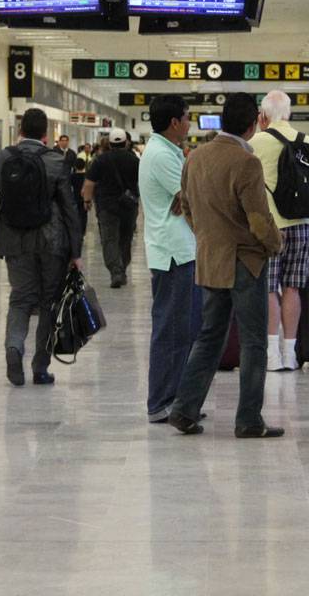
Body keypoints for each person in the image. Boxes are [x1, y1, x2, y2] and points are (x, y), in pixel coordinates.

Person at [167, 93, 284, 438]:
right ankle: (249, 419)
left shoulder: (196, 157)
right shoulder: (246, 162)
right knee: (253, 342)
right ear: (253, 125)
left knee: (209, 338)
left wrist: (206, 236)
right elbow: (259, 219)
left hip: (209, 259)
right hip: (245, 261)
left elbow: (185, 204)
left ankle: (184, 409)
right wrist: (274, 245)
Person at [0, 108, 82, 387]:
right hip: (51, 242)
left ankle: (13, 348)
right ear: (46, 134)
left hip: (14, 239)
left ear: (20, 131)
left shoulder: (2, 158)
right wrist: (75, 250)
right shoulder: (56, 161)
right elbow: (70, 209)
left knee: (20, 298)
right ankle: (40, 368)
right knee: (48, 302)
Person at [138, 95, 203, 423]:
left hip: (182, 250)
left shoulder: (169, 151)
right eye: (187, 117)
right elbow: (192, 196)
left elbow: (188, 196)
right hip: (172, 255)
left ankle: (179, 399)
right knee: (171, 330)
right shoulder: (161, 155)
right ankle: (161, 401)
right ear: (175, 122)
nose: (190, 122)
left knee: (187, 329)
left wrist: (187, 198)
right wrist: (187, 198)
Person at [250, 90, 309, 372]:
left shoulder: (255, 142)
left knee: (269, 288)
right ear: (289, 113)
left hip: (270, 227)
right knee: (293, 287)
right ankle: (290, 353)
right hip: (303, 222)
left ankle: (271, 356)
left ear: (263, 115)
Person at [83, 128, 140, 288]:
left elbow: (89, 183)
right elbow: (143, 181)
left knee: (109, 240)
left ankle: (116, 271)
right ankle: (122, 268)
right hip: (129, 206)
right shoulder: (134, 160)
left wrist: (87, 200)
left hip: (107, 206)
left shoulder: (100, 160)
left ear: (109, 143)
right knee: (125, 238)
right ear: (126, 142)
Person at [70, 157, 88, 244]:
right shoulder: (86, 176)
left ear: (75, 166)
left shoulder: (72, 176)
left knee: (75, 215)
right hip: (84, 198)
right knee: (84, 216)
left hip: (75, 198)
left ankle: (76, 231)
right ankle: (83, 232)